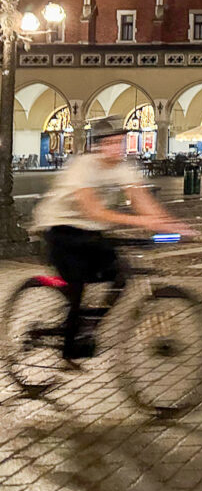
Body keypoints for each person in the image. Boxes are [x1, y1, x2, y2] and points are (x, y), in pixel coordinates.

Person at [30, 116, 186, 359]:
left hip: (90, 230)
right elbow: (94, 210)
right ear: (97, 145)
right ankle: (70, 346)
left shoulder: (123, 167)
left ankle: (90, 323)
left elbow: (141, 200)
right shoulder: (83, 167)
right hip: (59, 227)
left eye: (120, 142)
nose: (117, 148)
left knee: (120, 272)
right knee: (77, 283)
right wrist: (143, 221)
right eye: (110, 142)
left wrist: (171, 224)